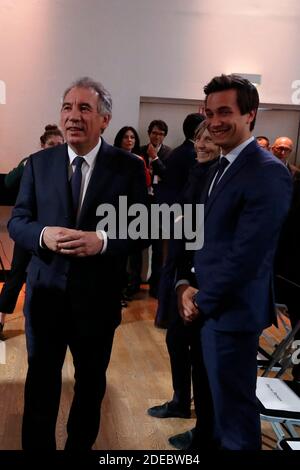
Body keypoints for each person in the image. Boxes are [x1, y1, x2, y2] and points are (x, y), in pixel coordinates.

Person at [8, 77, 148, 450]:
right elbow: (17, 221)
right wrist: (43, 235)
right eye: (67, 107)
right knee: (40, 385)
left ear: (105, 119)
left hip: (97, 301)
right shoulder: (38, 164)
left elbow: (143, 229)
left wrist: (101, 241)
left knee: (89, 387)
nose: (73, 116)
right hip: (46, 297)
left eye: (84, 108)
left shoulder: (128, 168)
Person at [176, 74, 292, 450]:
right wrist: (185, 286)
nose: (215, 121)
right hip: (211, 306)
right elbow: (207, 240)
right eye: (210, 113)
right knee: (219, 413)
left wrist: (201, 300)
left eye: (225, 111)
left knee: (236, 421)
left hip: (231, 311)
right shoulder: (220, 166)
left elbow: (248, 255)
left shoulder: (267, 171)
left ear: (250, 114)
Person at [148, 120, 219, 423]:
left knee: (200, 356)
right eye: (198, 139)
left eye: (209, 140)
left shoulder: (218, 177)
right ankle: (180, 401)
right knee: (176, 340)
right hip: (183, 273)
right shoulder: (197, 172)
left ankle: (205, 428)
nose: (201, 145)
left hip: (202, 281)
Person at [0, 125, 64, 339]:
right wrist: (28, 162)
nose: (55, 148)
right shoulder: (32, 162)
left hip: (52, 234)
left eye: (59, 145)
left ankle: (44, 325)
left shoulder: (66, 166)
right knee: (16, 277)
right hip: (30, 232)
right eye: (51, 145)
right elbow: (9, 182)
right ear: (42, 145)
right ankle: (0, 322)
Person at [113, 126, 151, 298]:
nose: (129, 140)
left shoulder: (139, 159)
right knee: (116, 250)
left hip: (134, 210)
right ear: (120, 139)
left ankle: (133, 285)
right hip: (114, 209)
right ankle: (118, 286)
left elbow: (146, 185)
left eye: (133, 137)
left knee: (135, 250)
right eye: (126, 137)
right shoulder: (111, 157)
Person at [140, 120, 172, 298]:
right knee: (138, 246)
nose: (157, 136)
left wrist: (156, 158)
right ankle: (134, 283)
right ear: (149, 133)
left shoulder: (169, 153)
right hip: (141, 204)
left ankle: (155, 286)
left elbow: (168, 176)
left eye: (161, 133)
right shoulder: (140, 150)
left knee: (159, 249)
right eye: (154, 132)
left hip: (161, 205)